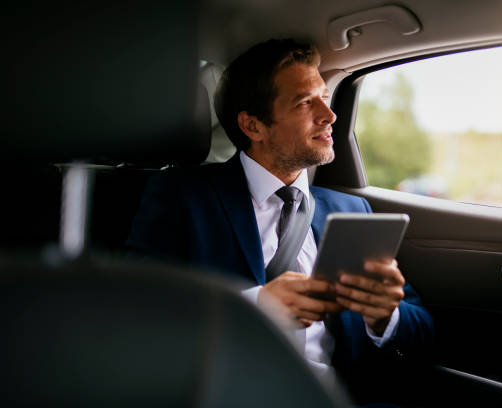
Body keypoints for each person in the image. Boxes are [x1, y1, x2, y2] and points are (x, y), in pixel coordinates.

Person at [126, 39, 433, 405]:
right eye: (305, 102)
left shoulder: (351, 210)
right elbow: (138, 314)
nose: (329, 114)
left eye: (324, 95)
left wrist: (386, 316)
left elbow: (422, 330)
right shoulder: (182, 196)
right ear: (253, 126)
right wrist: (257, 305)